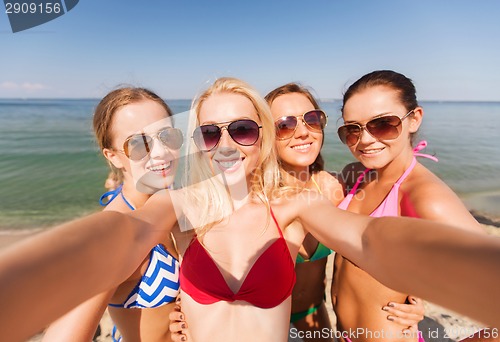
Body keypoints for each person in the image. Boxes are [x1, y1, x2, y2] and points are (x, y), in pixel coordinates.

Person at [0, 77, 499, 342]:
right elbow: (119, 237)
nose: (228, 146)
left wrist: (462, 275)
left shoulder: (296, 201)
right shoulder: (179, 204)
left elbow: (369, 239)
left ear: (262, 135)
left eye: (242, 129)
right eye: (210, 133)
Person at [170, 82, 426, 342]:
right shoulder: (252, 198)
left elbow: (392, 208)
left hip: (314, 313)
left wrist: (412, 295)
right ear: (264, 133)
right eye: (285, 125)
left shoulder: (339, 186)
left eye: (312, 120)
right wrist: (187, 306)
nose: (303, 132)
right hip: (263, 316)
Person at [332, 70, 486, 342]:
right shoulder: (357, 174)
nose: (365, 139)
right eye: (352, 129)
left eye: (382, 124)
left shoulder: (425, 196)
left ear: (413, 119)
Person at [41, 87, 183, 342]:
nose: (161, 151)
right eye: (138, 143)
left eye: (166, 135)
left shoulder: (173, 195)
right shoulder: (115, 233)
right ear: (113, 157)